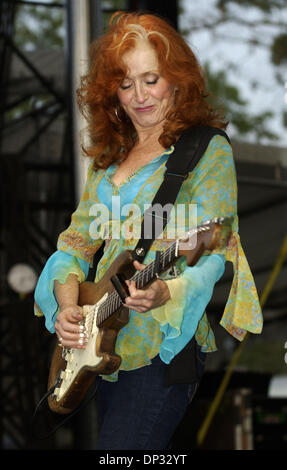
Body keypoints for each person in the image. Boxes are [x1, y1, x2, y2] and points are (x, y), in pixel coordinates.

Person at [34, 11, 263, 450]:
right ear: (112, 93)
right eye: (125, 83)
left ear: (177, 80)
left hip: (163, 347)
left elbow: (215, 252)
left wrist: (167, 293)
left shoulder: (203, 149)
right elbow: (75, 244)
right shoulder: (108, 160)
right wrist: (67, 308)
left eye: (151, 79)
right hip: (101, 347)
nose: (139, 95)